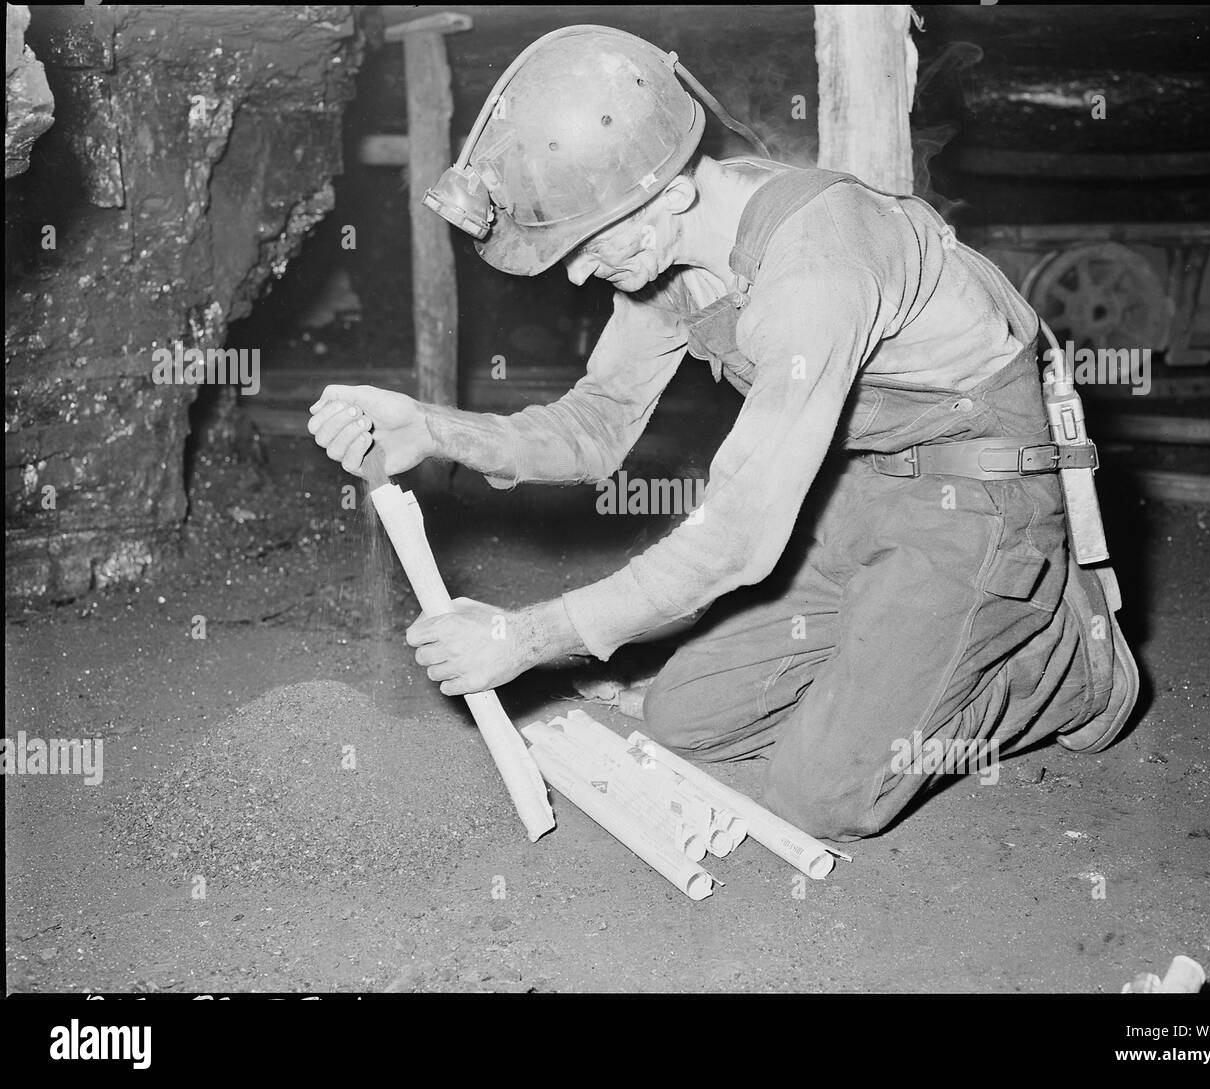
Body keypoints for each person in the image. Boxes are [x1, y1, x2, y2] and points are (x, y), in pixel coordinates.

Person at [309, 26, 1139, 840]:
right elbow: (596, 428)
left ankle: (1066, 664)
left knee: (823, 794)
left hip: (978, 499)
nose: (575, 272)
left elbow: (740, 536)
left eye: (587, 244)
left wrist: (525, 637)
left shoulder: (816, 265)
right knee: (681, 716)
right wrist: (431, 429)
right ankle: (895, 651)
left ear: (670, 195)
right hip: (858, 491)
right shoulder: (666, 258)